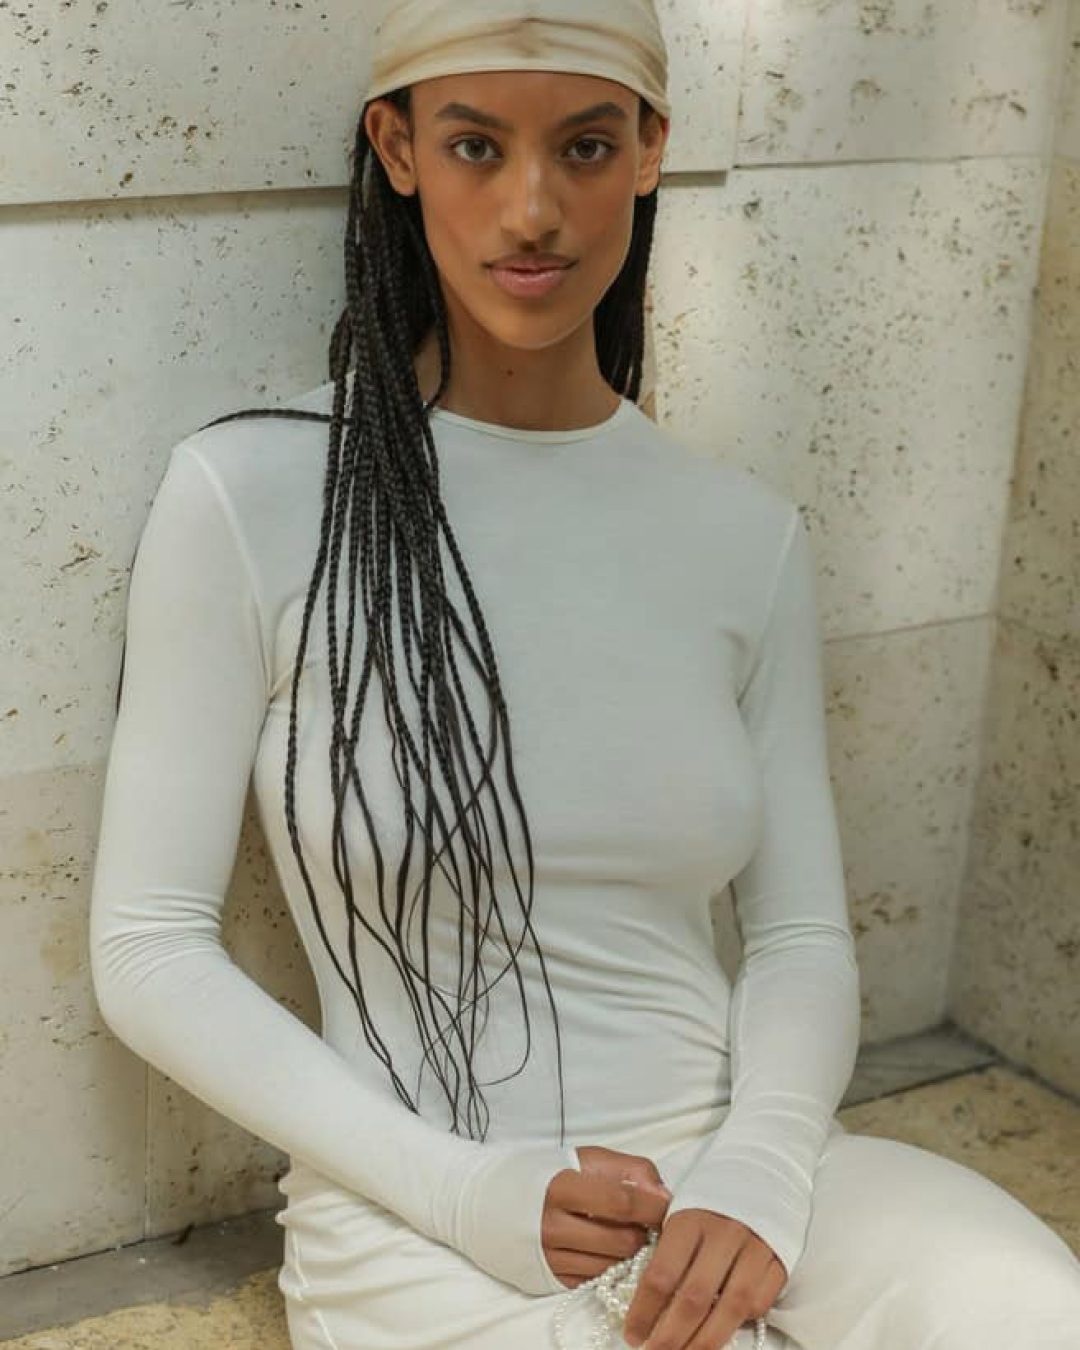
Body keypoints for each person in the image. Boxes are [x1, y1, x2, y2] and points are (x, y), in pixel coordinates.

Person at [88, 1, 1080, 1347]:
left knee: (1035, 1306)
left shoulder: (746, 537)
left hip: (734, 1165)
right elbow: (147, 947)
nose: (535, 209)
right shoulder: (251, 495)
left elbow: (796, 937)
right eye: (479, 147)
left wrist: (764, 1166)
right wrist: (464, 1183)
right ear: (397, 148)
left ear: (652, 150)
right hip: (422, 1205)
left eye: (588, 147)